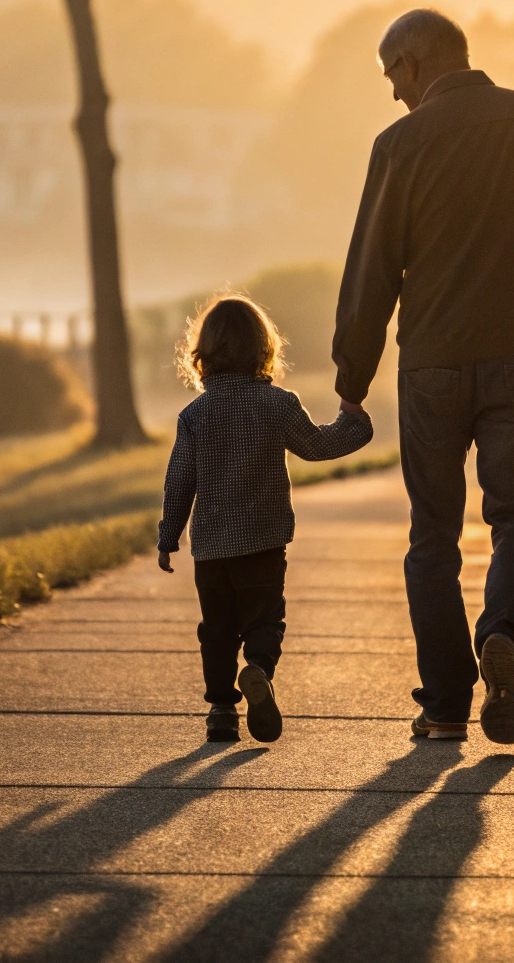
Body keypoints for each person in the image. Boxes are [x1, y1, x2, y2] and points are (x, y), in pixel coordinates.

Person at [332, 9, 514, 744]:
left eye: (393, 74)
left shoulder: (399, 145)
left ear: (416, 64)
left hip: (434, 368)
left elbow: (373, 266)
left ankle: (448, 703)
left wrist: (351, 373)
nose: (393, 93)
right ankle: (507, 637)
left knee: (433, 536)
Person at [158, 295, 373, 743]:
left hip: (213, 548)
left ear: (204, 355)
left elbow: (180, 480)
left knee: (216, 630)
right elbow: (317, 446)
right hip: (264, 541)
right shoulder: (277, 403)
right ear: (263, 348)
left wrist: (167, 537)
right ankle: (256, 667)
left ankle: (220, 711)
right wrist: (354, 424)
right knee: (265, 619)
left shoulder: (194, 415)